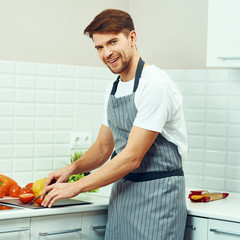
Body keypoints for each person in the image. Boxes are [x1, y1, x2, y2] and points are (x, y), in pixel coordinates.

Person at [41, 8, 188, 240]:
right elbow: (103, 147)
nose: (107, 53)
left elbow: (131, 157)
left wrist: (76, 187)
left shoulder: (155, 85)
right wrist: (71, 170)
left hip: (158, 199)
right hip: (123, 196)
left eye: (112, 42)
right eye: (99, 47)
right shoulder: (115, 87)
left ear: (132, 38)